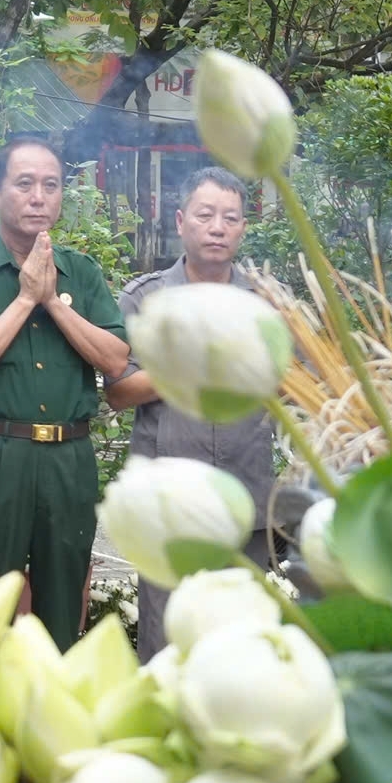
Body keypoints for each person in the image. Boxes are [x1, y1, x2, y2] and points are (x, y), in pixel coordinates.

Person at [0, 136, 131, 646]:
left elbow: (115, 358)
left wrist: (56, 303)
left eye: (51, 185)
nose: (38, 197)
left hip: (69, 455)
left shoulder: (81, 272)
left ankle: (53, 711)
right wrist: (25, 300)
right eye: (24, 184)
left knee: (64, 595)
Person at [107, 167, 282, 658]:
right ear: (181, 221)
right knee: (169, 646)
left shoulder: (266, 302)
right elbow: (119, 390)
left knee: (242, 645)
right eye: (205, 215)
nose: (217, 227)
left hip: (246, 501)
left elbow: (292, 384)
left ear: (243, 228)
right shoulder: (146, 298)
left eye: (230, 217)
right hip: (170, 506)